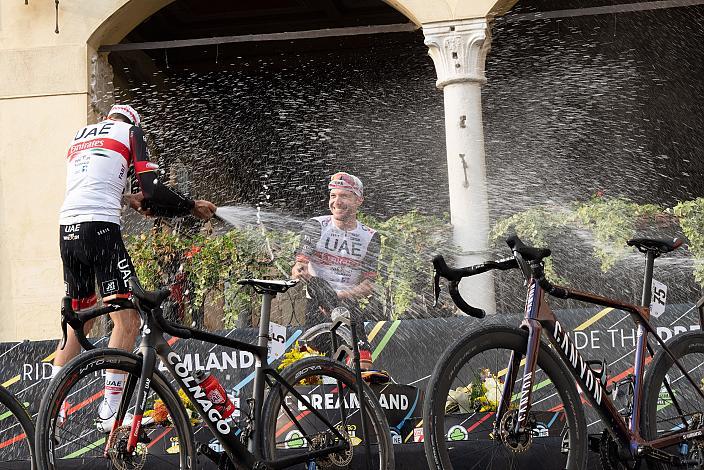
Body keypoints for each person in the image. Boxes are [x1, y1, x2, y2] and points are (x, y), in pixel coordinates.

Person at [54, 104, 217, 431]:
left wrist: (130, 200)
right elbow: (152, 187)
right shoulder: (131, 131)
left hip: (68, 231)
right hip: (100, 229)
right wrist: (189, 206)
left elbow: (95, 182)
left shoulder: (82, 136)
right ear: (133, 122)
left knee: (79, 321)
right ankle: (109, 413)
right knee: (127, 319)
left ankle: (52, 409)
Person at [291, 172, 387, 380]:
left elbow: (369, 284)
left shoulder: (370, 236)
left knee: (349, 312)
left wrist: (339, 296)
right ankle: (361, 358)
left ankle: (361, 370)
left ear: (358, 200)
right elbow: (300, 266)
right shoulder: (316, 225)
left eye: (344, 196)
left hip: (348, 304)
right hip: (316, 304)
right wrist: (300, 270)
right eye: (333, 196)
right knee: (312, 373)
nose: (336, 202)